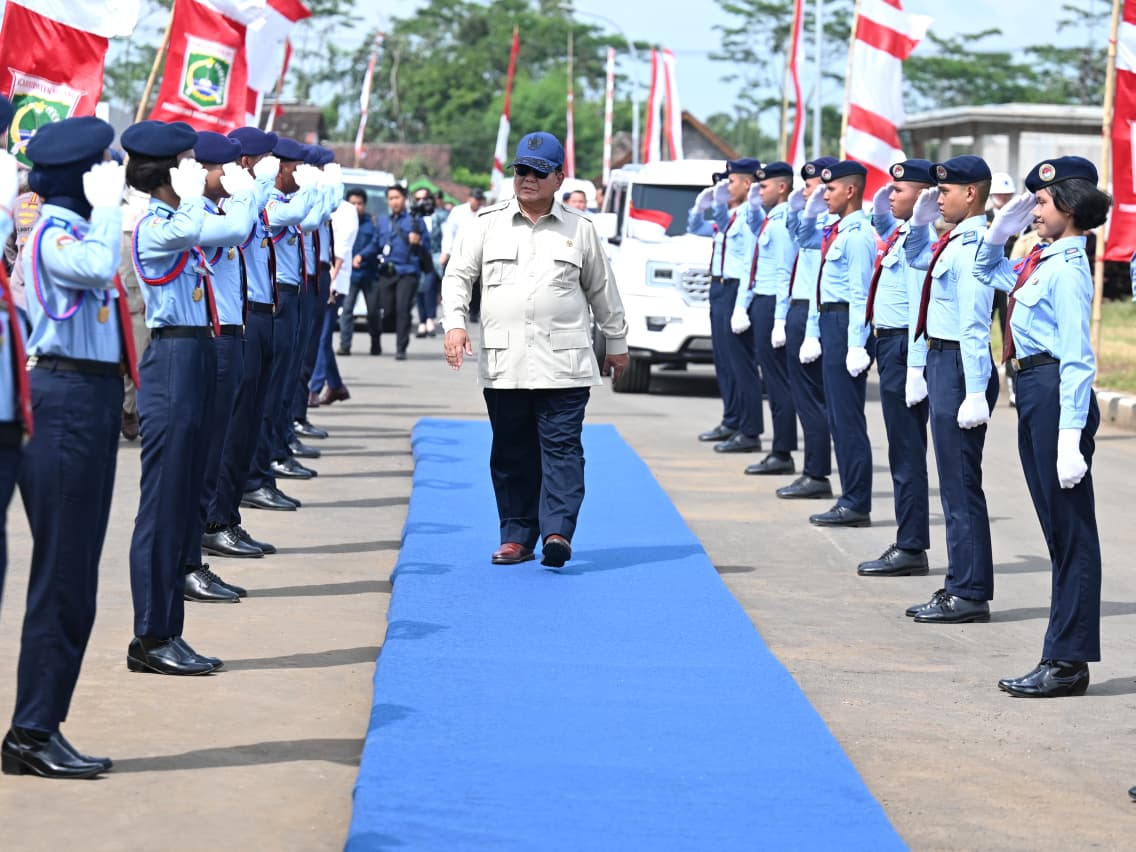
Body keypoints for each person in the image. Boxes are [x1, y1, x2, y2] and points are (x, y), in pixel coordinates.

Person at [440, 131, 628, 569]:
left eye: (538, 172)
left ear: (559, 177)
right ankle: (517, 536)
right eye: (521, 170)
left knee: (562, 448)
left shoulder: (580, 230)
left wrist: (616, 344)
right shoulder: (485, 224)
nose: (527, 179)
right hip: (506, 364)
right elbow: (457, 278)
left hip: (564, 364)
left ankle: (558, 532)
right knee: (511, 451)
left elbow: (603, 291)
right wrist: (454, 325)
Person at [0, 116, 124, 780]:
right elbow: (101, 267)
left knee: (76, 574)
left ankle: (44, 722)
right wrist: (109, 212)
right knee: (63, 575)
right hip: (66, 398)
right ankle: (30, 731)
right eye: (99, 167)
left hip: (90, 398)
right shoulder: (54, 234)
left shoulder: (74, 229)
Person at [974, 156, 1108, 697]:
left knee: (1071, 534)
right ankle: (1061, 654)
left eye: (1043, 203)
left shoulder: (1070, 269)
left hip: (1056, 395)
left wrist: (1071, 436)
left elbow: (1078, 358)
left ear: (1070, 209)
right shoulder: (1041, 259)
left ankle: (1068, 662)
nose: (1033, 211)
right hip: (1032, 391)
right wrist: (996, 235)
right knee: (1059, 533)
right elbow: (988, 275)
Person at [123, 119, 223, 676]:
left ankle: (170, 631)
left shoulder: (176, 214)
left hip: (195, 354)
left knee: (183, 498)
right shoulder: (155, 224)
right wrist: (190, 194)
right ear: (168, 171)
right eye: (190, 160)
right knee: (162, 506)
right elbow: (199, 231)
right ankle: (151, 634)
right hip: (171, 361)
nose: (200, 169)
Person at [903, 155, 1000, 624]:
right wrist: (919, 226)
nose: (938, 197)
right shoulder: (951, 240)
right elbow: (917, 260)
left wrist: (976, 390)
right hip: (943, 361)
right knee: (953, 487)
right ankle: (960, 582)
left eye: (947, 191)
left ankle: (969, 592)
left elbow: (975, 326)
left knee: (961, 487)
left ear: (972, 194)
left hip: (961, 366)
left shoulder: (977, 244)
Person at [191, 132, 268, 574]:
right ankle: (210, 525)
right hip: (216, 338)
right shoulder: (198, 214)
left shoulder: (220, 207)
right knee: (212, 447)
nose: (235, 176)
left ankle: (222, 518)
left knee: (231, 435)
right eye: (230, 169)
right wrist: (251, 190)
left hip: (233, 330)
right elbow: (239, 230)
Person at [856, 160, 935, 577]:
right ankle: (910, 540)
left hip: (905, 348)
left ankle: (911, 545)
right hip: (889, 345)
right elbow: (879, 219)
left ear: (923, 197)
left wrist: (915, 367)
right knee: (902, 448)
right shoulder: (904, 233)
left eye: (899, 191)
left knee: (907, 451)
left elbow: (921, 306)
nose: (890, 195)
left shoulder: (923, 239)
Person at [793, 160, 876, 527]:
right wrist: (814, 330)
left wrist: (857, 343)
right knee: (838, 418)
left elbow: (861, 294)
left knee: (847, 417)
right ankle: (849, 495)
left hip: (846, 325)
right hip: (830, 320)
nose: (823, 194)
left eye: (830, 189)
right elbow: (804, 240)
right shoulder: (835, 230)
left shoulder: (858, 235)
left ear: (851, 191)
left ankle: (856, 501)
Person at [691, 158, 765, 453]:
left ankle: (749, 430)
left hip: (736, 289)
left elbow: (750, 261)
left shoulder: (750, 215)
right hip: (719, 287)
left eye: (730, 182)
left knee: (741, 364)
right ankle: (731, 419)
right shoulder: (729, 216)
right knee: (723, 360)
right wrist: (700, 206)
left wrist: (742, 303)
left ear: (747, 184)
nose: (724, 188)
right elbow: (695, 227)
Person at [732, 161, 798, 477]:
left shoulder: (784, 222)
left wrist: (780, 319)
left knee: (777, 382)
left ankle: (782, 451)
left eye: (764, 187)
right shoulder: (771, 219)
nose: (758, 193)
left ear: (782, 187)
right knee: (770, 379)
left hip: (773, 302)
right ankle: (778, 449)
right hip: (762, 300)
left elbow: (786, 272)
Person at [778, 157, 838, 501]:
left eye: (816, 186)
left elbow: (821, 283)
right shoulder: (811, 223)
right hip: (798, 307)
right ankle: (811, 470)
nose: (809, 191)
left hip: (812, 311)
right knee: (804, 396)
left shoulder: (829, 228)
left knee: (811, 398)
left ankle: (816, 473)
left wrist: (812, 330)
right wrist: (800, 207)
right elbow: (794, 232)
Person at [358, 185, 429, 360]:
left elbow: (426, 247)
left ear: (404, 198)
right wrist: (361, 255)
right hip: (387, 271)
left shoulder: (416, 221)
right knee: (386, 311)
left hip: (408, 271)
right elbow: (375, 244)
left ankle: (401, 348)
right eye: (391, 198)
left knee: (403, 309)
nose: (394, 201)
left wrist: (418, 242)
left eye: (397, 197)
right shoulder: (382, 221)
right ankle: (376, 340)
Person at [310, 183, 357, 405]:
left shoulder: (345, 209)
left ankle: (314, 387)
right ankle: (336, 385)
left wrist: (331, 282)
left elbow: (341, 250)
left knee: (322, 336)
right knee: (320, 336)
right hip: (319, 277)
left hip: (334, 280)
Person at [338, 188, 378, 354]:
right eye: (352, 203)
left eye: (359, 203)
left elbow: (376, 243)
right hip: (350, 275)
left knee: (373, 311)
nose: (356, 206)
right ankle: (345, 345)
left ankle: (376, 344)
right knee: (347, 311)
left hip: (369, 273)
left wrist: (362, 255)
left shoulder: (372, 223)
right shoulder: (341, 221)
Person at [440, 187, 486, 322]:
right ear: (469, 198)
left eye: (479, 199)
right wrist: (446, 251)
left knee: (476, 286)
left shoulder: (484, 213)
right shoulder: (458, 211)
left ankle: (474, 311)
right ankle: (455, 312)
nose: (477, 202)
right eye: (475, 199)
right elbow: (449, 232)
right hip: (458, 252)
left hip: (477, 254)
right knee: (456, 282)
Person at [412, 185, 445, 338]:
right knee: (419, 288)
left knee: (429, 286)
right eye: (418, 199)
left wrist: (445, 254)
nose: (421, 202)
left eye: (424, 198)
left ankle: (430, 318)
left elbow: (447, 237)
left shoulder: (440, 216)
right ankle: (422, 321)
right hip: (417, 258)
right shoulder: (412, 217)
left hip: (434, 257)